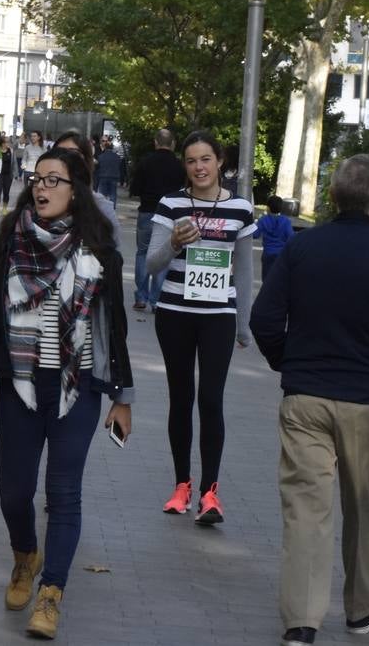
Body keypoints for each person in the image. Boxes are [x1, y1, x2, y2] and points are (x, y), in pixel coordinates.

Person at [250, 154, 369, 646]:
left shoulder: (302, 251)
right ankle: (361, 608)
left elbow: (264, 318)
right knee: (364, 506)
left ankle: (302, 622)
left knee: (306, 508)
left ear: (331, 197)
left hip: (306, 399)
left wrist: (290, 365)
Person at [0, 149, 134, 639]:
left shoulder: (100, 254)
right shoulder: (10, 248)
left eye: (54, 180)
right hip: (20, 387)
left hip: (76, 389)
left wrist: (122, 397)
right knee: (14, 493)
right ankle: (25, 557)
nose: (41, 188)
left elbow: (114, 330)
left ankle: (51, 594)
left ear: (76, 191)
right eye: (38, 179)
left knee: (64, 495)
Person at [145, 130, 257, 524]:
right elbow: (151, 265)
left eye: (206, 159)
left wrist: (244, 323)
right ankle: (181, 485)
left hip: (218, 316)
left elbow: (244, 269)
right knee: (181, 397)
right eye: (191, 161)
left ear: (220, 161)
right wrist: (174, 242)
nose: (199, 167)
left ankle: (210, 492)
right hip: (175, 312)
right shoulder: (171, 203)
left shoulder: (241, 207)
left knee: (211, 399)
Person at [129, 129, 185, 311]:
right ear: (173, 144)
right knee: (164, 254)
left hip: (147, 212)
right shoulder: (179, 166)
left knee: (143, 253)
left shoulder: (145, 162)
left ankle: (141, 297)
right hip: (170, 216)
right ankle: (156, 299)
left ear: (155, 142)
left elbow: (135, 189)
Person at [52, 131, 120, 245]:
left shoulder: (100, 206)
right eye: (57, 153)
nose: (64, 158)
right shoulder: (39, 199)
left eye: (72, 153)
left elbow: (113, 252)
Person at [256, 195, 295, 280]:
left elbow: (255, 235)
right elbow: (291, 237)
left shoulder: (263, 220)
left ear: (268, 207)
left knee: (266, 280)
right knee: (280, 279)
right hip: (281, 254)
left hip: (267, 254)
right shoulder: (286, 221)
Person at [94, 135, 124, 206]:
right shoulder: (117, 157)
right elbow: (120, 165)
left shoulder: (101, 157)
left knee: (102, 194)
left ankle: (102, 209)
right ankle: (112, 209)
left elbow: (98, 164)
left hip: (103, 176)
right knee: (113, 195)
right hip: (114, 177)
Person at [0, 133, 15, 214]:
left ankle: (4, 208)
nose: (8, 144)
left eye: (8, 142)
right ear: (2, 143)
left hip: (8, 175)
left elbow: (14, 163)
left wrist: (14, 173)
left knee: (6, 192)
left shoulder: (11, 151)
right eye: (6, 142)